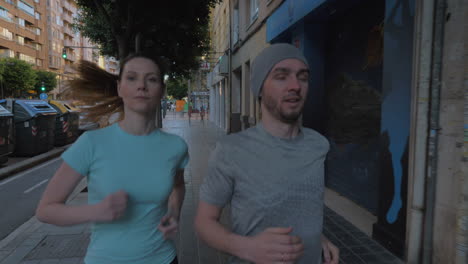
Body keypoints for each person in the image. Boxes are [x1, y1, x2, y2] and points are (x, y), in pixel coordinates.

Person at [36, 52, 189, 264]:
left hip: (164, 258)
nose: (142, 85)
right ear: (119, 87)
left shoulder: (176, 146)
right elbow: (46, 210)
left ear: (161, 91)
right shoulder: (91, 143)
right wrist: (96, 211)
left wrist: (174, 212)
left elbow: (179, 186)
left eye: (151, 79)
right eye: (132, 77)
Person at [194, 43, 339, 264]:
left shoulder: (318, 145)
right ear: (260, 88)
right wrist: (248, 248)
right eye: (281, 76)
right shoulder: (231, 151)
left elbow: (301, 209)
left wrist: (317, 237)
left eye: (303, 77)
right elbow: (204, 223)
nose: (295, 86)